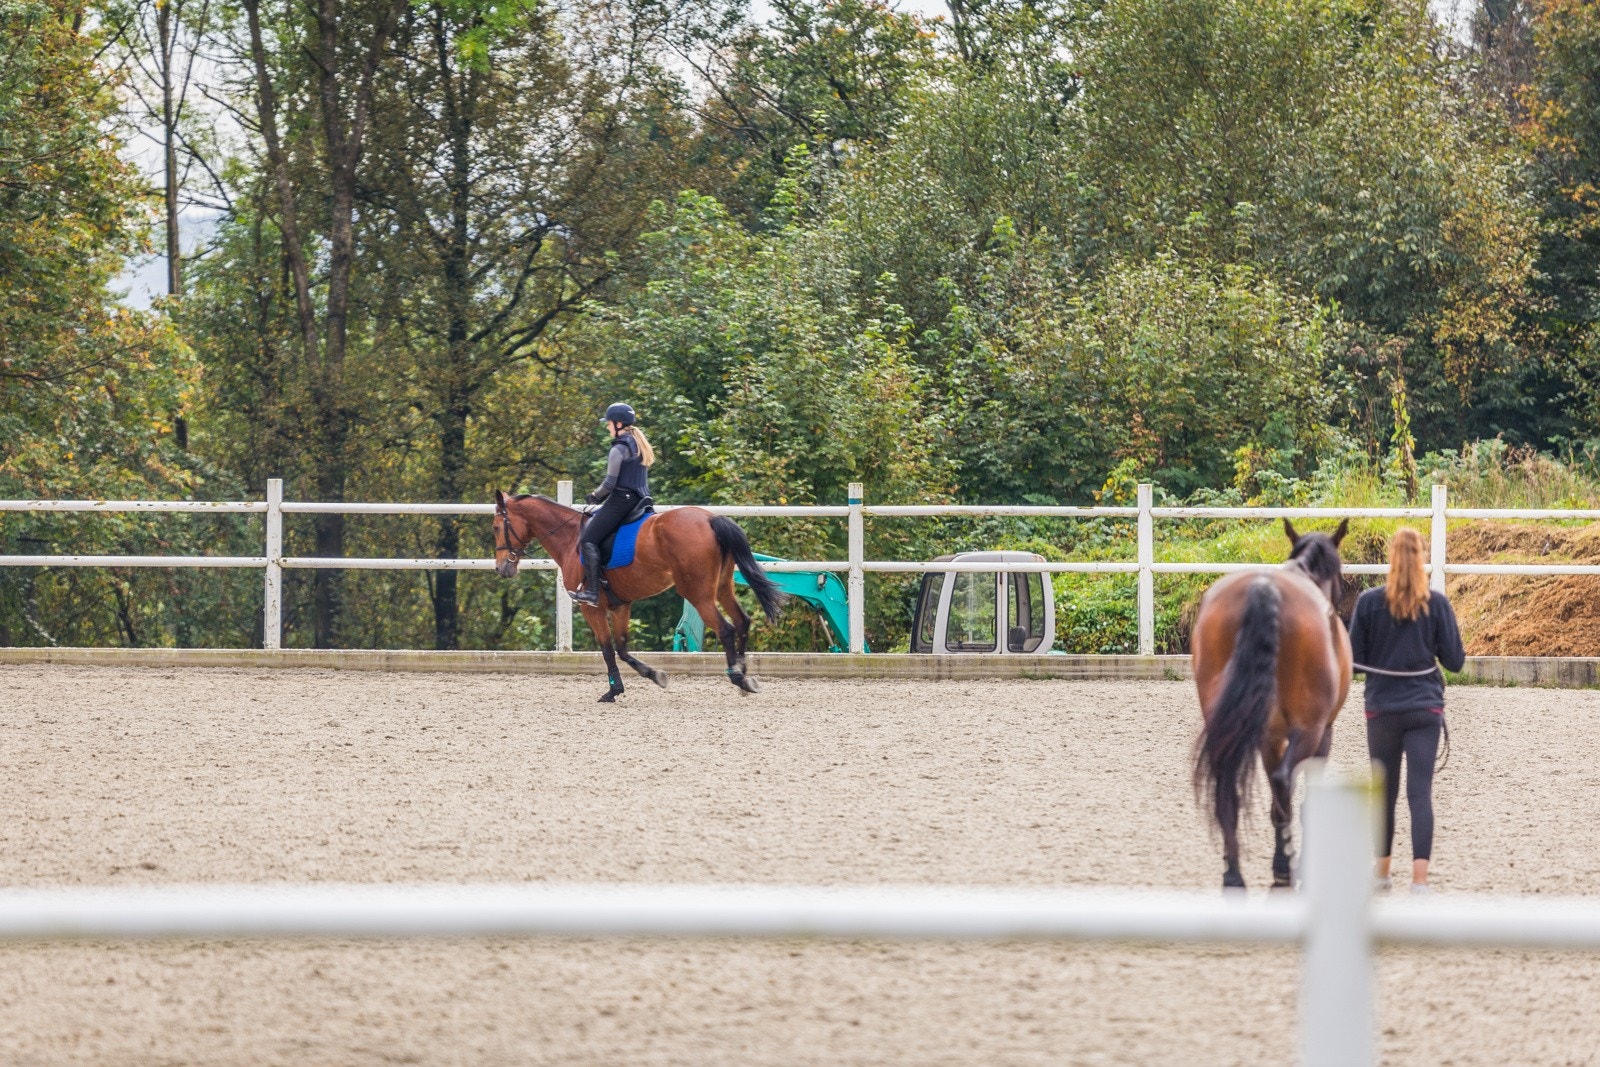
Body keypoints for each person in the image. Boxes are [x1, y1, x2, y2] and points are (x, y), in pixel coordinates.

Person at [1347, 527, 1466, 895]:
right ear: (1422, 557)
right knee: (1419, 794)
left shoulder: (1368, 603)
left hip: (1381, 710)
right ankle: (1420, 882)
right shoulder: (1437, 604)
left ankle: (1382, 874)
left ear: (1391, 557)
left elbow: (1353, 664)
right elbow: (1456, 662)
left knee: (1383, 795)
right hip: (1424, 709)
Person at [570, 402, 655, 606]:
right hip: (641, 499)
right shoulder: (638, 442)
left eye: (608, 424)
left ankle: (592, 591)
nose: (607, 427)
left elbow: (610, 483)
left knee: (588, 540)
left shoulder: (619, 448)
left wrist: (594, 496)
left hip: (621, 500)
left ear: (618, 424)